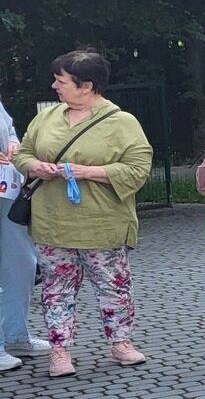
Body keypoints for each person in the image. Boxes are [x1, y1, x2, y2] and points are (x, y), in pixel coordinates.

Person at [12, 49, 153, 377]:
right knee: (56, 288)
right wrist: (33, 166)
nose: (54, 86)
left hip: (102, 223)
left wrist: (87, 172)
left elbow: (137, 169)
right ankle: (59, 352)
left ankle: (121, 343)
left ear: (86, 86)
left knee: (114, 285)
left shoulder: (122, 122)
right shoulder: (47, 117)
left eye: (61, 81)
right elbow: (23, 153)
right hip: (52, 222)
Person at [0, 95, 52, 372]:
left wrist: (13, 143)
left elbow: (8, 128)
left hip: (6, 191)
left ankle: (16, 335)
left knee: (22, 264)